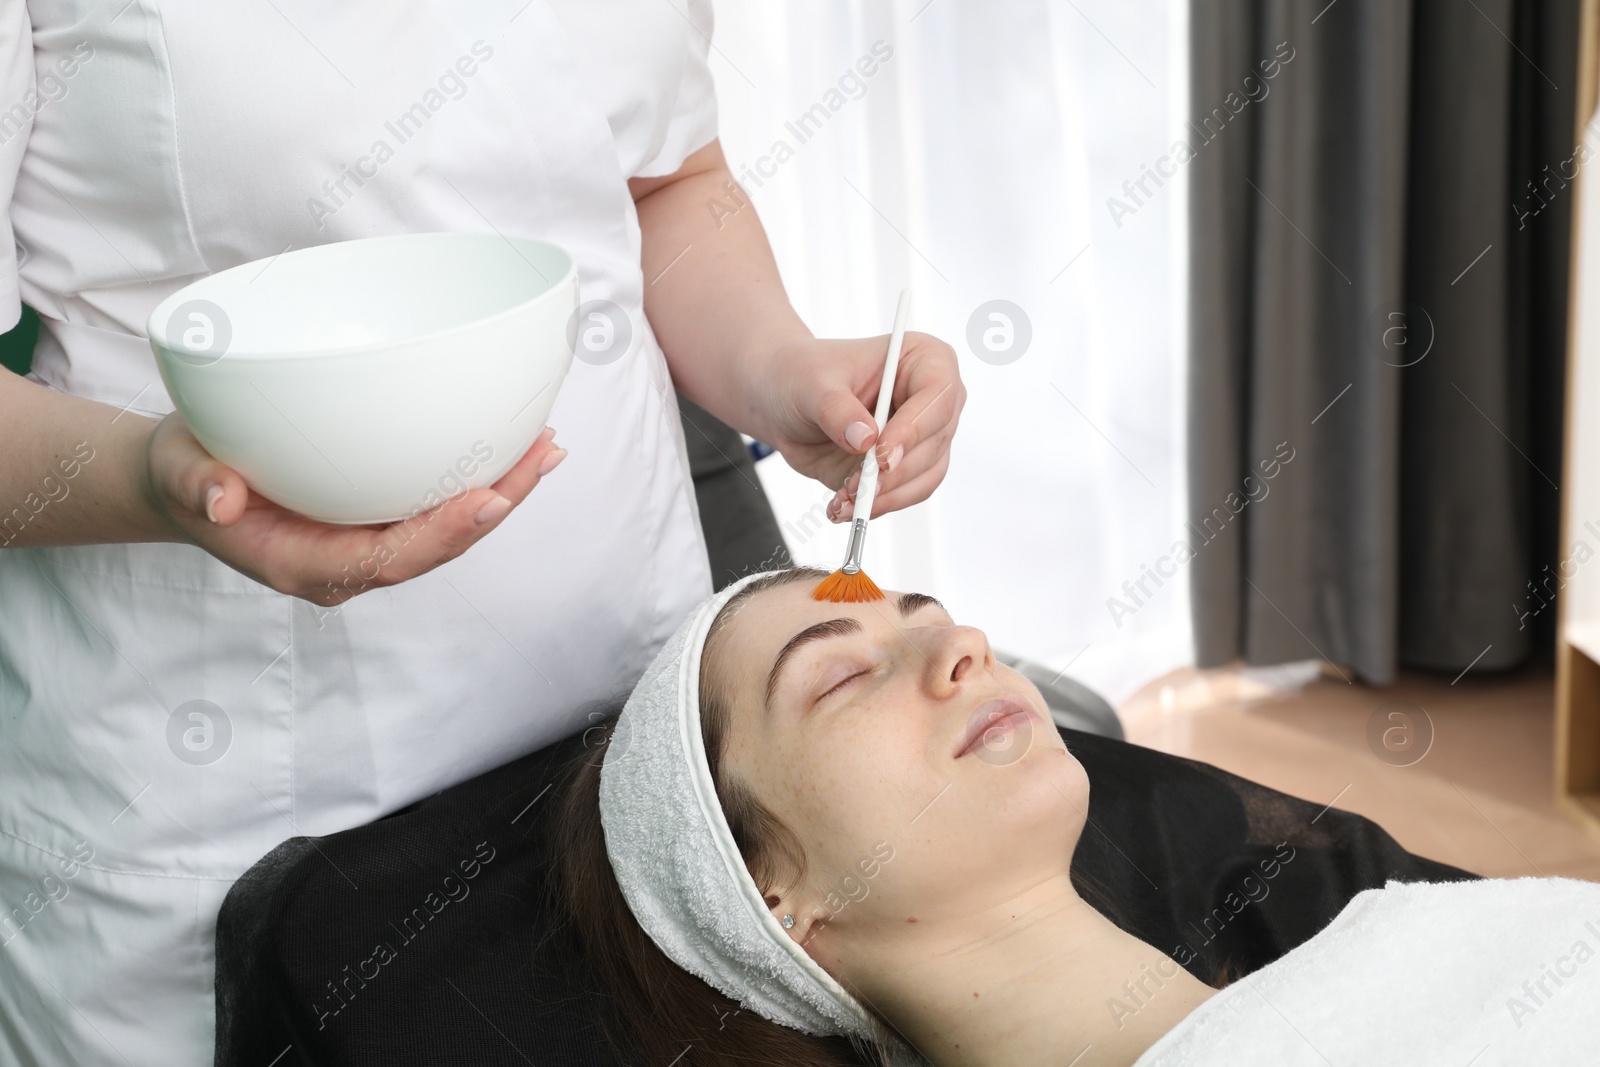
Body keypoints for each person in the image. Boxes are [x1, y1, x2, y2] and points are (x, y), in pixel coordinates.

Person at [0, 5, 964, 1063]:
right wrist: (158, 481)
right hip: (223, 773)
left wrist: (783, 371)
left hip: (621, 728)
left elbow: (662, 183)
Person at [562, 567, 1600, 1066]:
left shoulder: (1405, 932)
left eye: (927, 613)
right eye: (839, 675)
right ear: (768, 894)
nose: (962, 642)